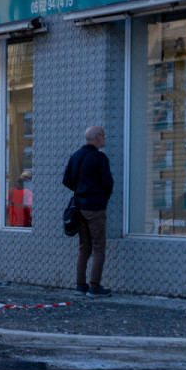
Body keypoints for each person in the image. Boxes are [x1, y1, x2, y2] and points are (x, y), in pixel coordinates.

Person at [63, 126, 114, 296]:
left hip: (79, 207)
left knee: (84, 247)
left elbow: (66, 180)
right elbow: (108, 183)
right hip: (96, 207)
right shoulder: (99, 158)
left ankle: (80, 285)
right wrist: (101, 197)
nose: (104, 138)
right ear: (98, 137)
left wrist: (80, 189)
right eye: (103, 135)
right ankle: (94, 286)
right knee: (99, 247)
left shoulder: (76, 156)